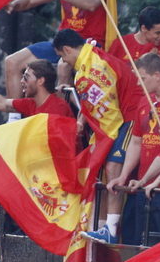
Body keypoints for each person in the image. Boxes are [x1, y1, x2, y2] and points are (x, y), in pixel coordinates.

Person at [52, 29, 142, 243]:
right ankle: (100, 227)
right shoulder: (88, 61)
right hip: (116, 118)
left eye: (63, 57)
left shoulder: (93, 68)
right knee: (101, 171)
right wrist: (83, 121)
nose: (64, 61)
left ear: (67, 49)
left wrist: (102, 144)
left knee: (111, 166)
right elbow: (92, 104)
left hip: (130, 117)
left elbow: (108, 114)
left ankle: (111, 229)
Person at [3, 0, 113, 98]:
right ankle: (14, 119)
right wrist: (14, 4)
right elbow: (30, 0)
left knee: (63, 65)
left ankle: (60, 117)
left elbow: (91, 4)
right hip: (62, 44)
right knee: (11, 62)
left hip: (88, 45)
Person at [103, 52, 160, 244]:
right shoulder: (145, 101)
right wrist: (124, 175)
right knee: (135, 240)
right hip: (141, 185)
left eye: (142, 78)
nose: (138, 83)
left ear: (157, 76)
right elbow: (136, 141)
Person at [0, 59, 73, 118]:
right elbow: (1, 103)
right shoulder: (31, 103)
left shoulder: (58, 108)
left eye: (26, 78)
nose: (21, 82)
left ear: (41, 81)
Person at [108, 6, 160, 71]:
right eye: (158, 33)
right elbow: (108, 71)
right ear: (144, 28)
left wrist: (159, 63)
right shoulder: (120, 44)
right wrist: (147, 62)